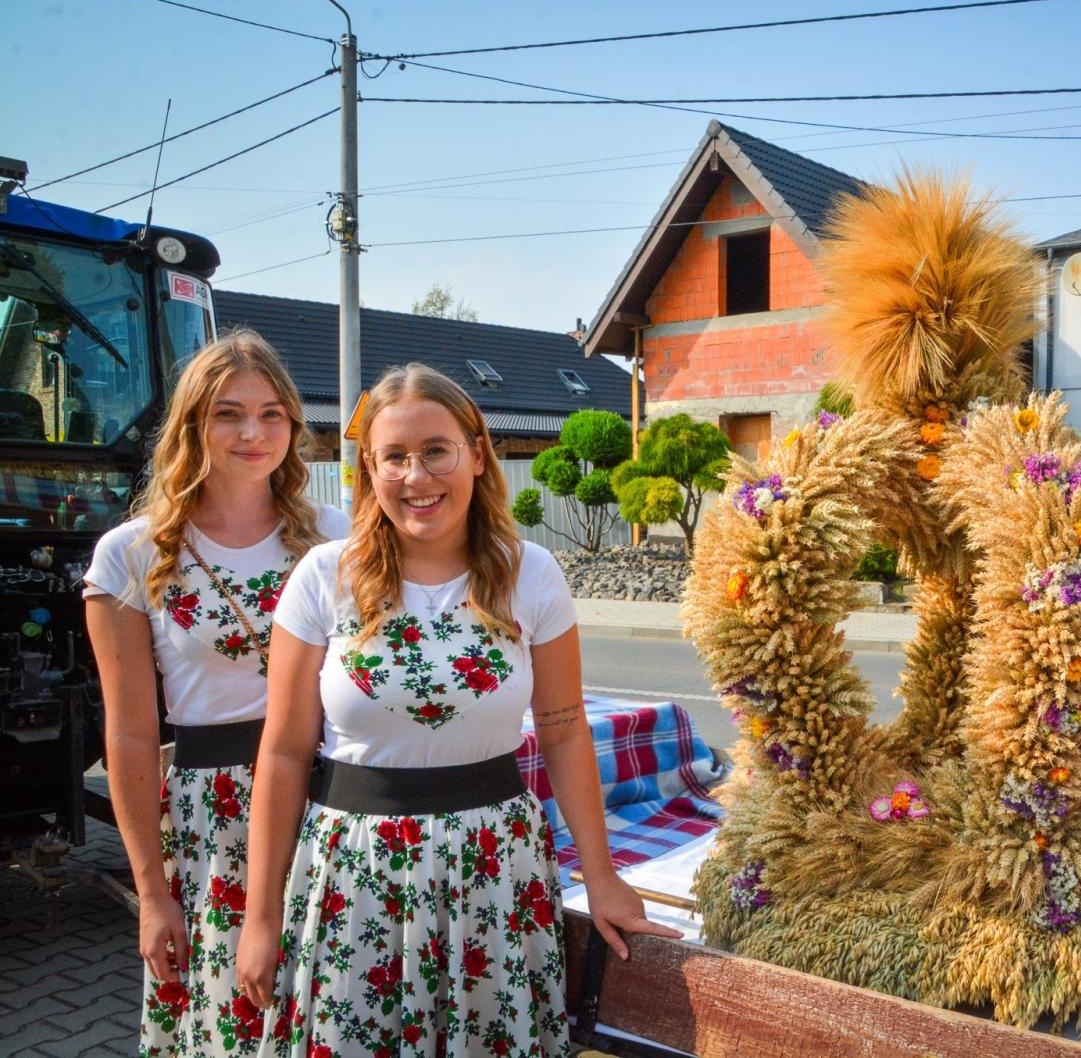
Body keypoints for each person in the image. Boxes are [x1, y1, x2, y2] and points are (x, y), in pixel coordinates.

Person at [236, 362, 679, 1055]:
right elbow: (285, 752)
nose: (417, 477)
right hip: (355, 873)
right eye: (395, 458)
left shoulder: (531, 571)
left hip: (494, 870)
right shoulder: (324, 578)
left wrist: (603, 879)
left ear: (477, 453)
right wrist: (260, 917)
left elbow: (563, 734)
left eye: (436, 450)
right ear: (368, 470)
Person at [83, 331, 347, 1056]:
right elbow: (132, 735)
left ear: (294, 425)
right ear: (193, 424)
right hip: (215, 816)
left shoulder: (336, 535)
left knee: (337, 1008)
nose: (253, 432)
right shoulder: (133, 554)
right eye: (229, 414)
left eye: (272, 414)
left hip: (333, 799)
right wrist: (152, 894)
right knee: (236, 1020)